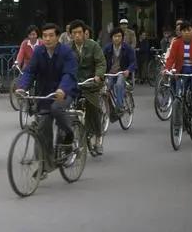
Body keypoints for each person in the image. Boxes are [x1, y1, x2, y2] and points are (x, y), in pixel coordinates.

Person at [16, 23, 78, 174]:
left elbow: (69, 74)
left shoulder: (66, 52)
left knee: (56, 108)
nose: (48, 39)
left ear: (58, 37)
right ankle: (46, 165)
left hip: (65, 91)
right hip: (45, 93)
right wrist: (22, 86)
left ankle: (69, 133)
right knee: (43, 126)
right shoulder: (39, 51)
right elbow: (30, 71)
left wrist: (62, 88)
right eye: (44, 36)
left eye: (51, 35)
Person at [69, 19, 106, 154]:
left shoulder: (93, 46)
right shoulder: (67, 48)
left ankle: (98, 137)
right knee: (66, 109)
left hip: (91, 84)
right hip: (74, 84)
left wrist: (98, 75)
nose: (77, 35)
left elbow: (101, 62)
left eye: (79, 32)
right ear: (71, 35)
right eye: (74, 33)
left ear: (85, 33)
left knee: (93, 108)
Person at [164, 21, 192, 116]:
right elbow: (171, 58)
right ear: (181, 32)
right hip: (181, 71)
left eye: (189, 30)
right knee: (179, 91)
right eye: (184, 30)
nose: (186, 32)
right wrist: (167, 69)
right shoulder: (176, 43)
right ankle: (179, 109)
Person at [103, 28, 136, 111]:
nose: (117, 38)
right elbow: (101, 61)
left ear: (122, 37)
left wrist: (128, 70)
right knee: (106, 88)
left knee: (119, 84)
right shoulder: (107, 48)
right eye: (115, 36)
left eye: (119, 36)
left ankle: (119, 106)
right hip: (110, 72)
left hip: (122, 72)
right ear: (111, 38)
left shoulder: (127, 48)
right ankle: (109, 108)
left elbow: (133, 62)